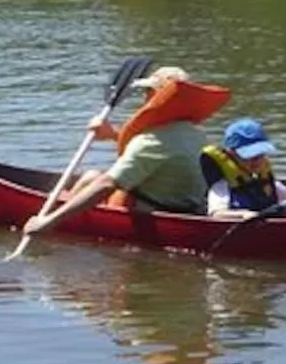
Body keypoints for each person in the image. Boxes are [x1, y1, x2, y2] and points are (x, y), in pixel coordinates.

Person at [21, 65, 229, 236]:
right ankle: (61, 206)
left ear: (155, 97)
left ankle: (57, 216)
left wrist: (48, 222)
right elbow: (161, 152)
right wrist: (112, 134)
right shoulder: (195, 134)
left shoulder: (151, 141)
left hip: (153, 213)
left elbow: (107, 184)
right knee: (94, 176)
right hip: (185, 207)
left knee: (91, 178)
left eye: (148, 92)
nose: (143, 97)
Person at [201, 118, 286, 219]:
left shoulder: (264, 180)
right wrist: (242, 214)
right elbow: (217, 214)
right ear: (232, 155)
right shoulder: (222, 185)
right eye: (249, 156)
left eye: (260, 155)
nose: (257, 161)